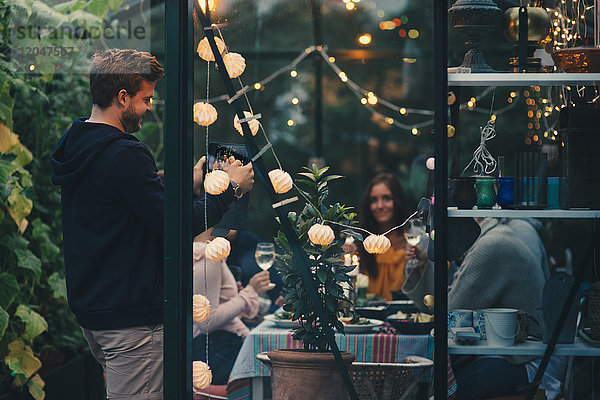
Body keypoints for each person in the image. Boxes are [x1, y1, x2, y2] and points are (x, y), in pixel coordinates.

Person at [50, 49, 254, 399]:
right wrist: (229, 190)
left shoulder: (79, 145)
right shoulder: (124, 152)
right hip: (132, 321)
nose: (149, 107)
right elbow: (171, 226)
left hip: (97, 311)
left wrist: (186, 187)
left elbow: (126, 207)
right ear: (122, 97)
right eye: (145, 99)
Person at [403, 217, 546, 399]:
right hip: (512, 352)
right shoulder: (493, 237)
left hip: (528, 363)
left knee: (444, 384)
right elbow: (448, 305)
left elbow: (449, 314)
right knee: (442, 372)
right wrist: (425, 266)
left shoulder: (491, 246)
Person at [191, 231, 273, 384]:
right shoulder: (209, 256)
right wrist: (250, 292)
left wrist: (240, 296)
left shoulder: (196, 253)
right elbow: (206, 321)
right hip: (217, 348)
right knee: (271, 369)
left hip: (213, 345)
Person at [354, 173, 412, 301]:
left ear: (397, 200)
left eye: (386, 198)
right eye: (374, 200)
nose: (380, 206)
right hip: (368, 317)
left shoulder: (412, 239)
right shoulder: (360, 243)